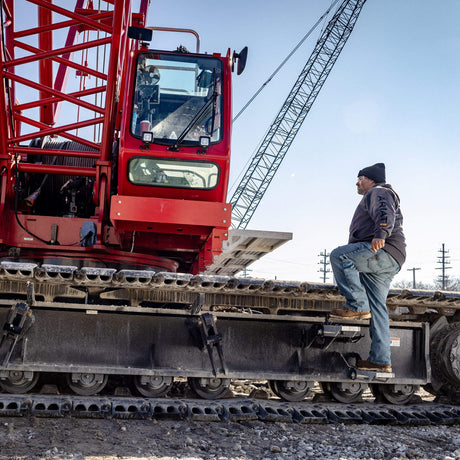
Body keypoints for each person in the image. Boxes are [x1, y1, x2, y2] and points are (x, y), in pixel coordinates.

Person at [329, 163, 406, 373]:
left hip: (382, 250)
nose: (357, 182)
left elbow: (384, 211)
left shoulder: (378, 191)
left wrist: (381, 233)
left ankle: (356, 305)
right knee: (378, 308)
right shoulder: (376, 192)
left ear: (371, 179)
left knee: (339, 255)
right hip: (390, 258)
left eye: (360, 178)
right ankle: (380, 361)